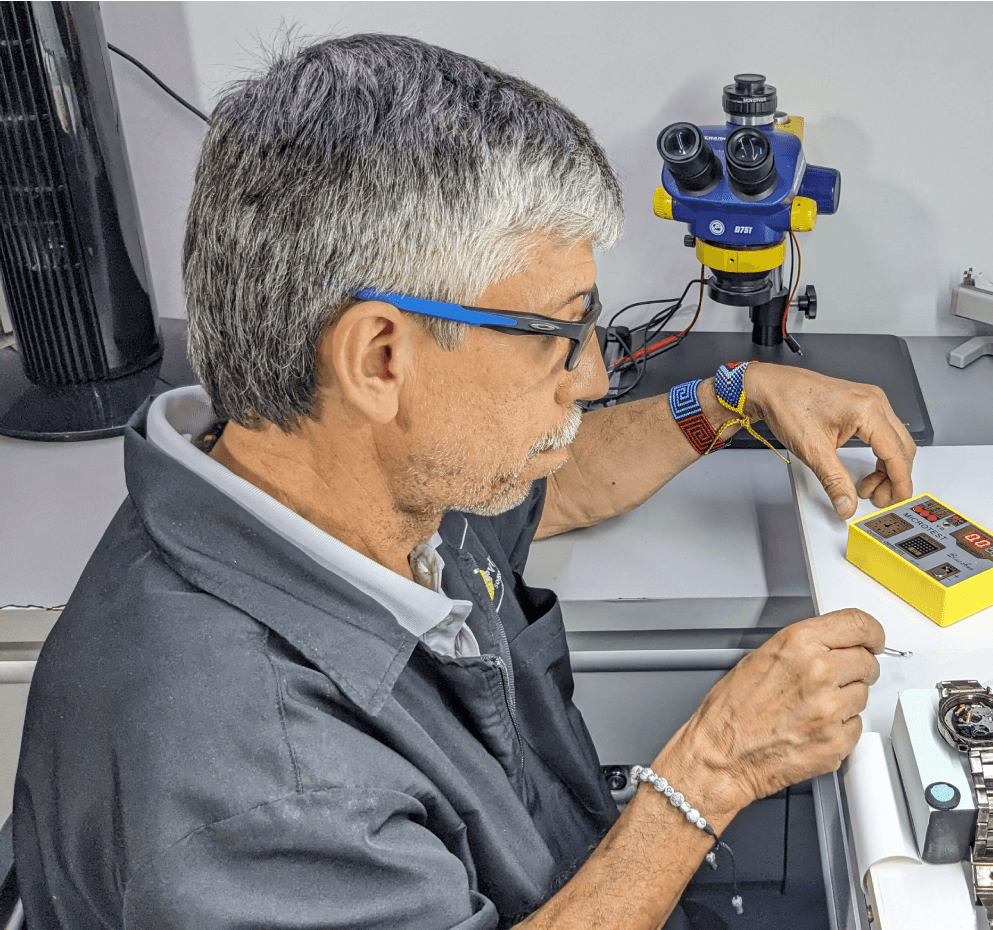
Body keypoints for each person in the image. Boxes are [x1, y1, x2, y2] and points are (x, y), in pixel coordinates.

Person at [13, 34, 917, 930]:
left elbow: (555, 478)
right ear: (380, 357)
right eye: (560, 332)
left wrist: (726, 399)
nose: (593, 375)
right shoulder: (266, 795)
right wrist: (710, 773)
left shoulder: (324, 476)